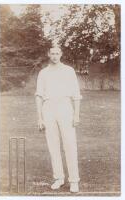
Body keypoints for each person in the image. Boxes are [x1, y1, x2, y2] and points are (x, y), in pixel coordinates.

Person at [35, 46, 82, 193]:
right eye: (52, 53)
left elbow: (76, 94)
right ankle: (59, 178)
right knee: (53, 145)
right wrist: (39, 117)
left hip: (65, 107)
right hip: (48, 108)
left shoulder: (69, 71)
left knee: (69, 144)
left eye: (57, 53)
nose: (55, 56)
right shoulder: (43, 73)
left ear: (61, 54)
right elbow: (39, 95)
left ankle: (74, 181)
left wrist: (76, 115)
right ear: (48, 55)